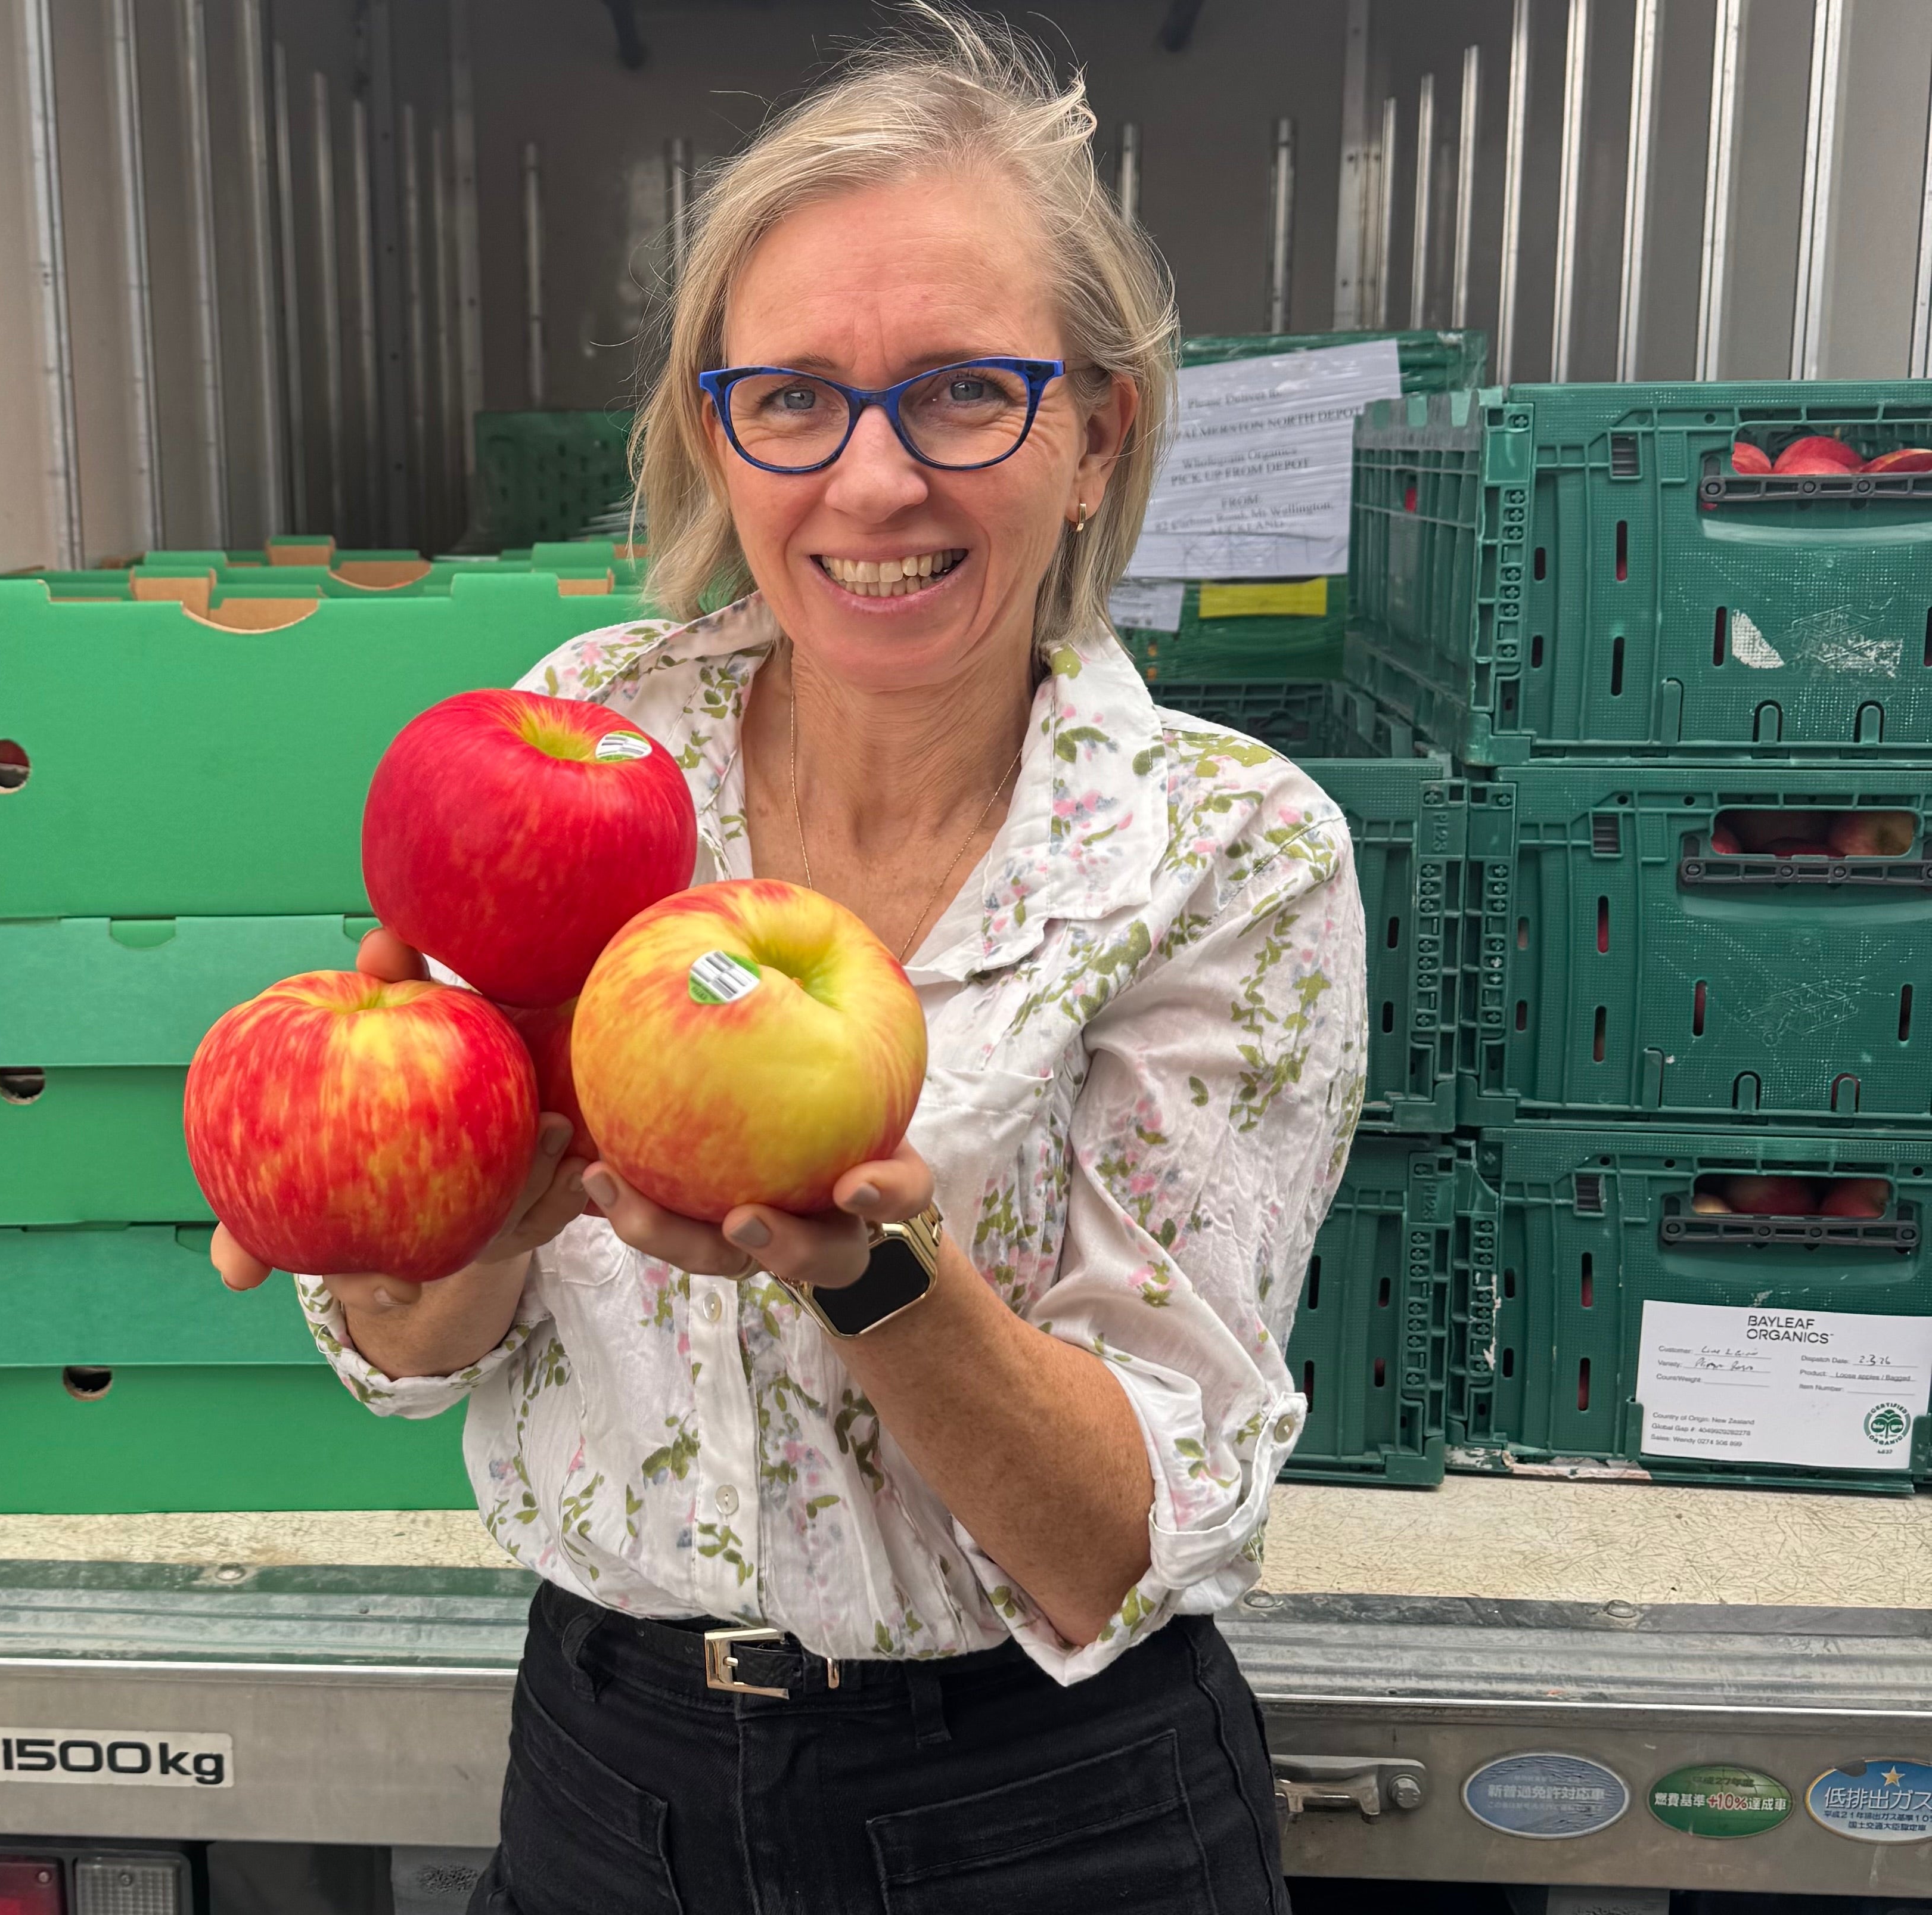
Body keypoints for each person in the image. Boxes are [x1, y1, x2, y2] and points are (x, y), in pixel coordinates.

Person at [211, 11, 1366, 1909]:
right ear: (713, 436)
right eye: (793, 401)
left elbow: (1113, 1548)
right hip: (606, 1773)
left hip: (1045, 1817)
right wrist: (448, 1204)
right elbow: (413, 1356)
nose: (871, 482)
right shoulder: (587, 743)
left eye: (962, 394)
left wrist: (874, 1276)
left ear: (1095, 435)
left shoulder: (1223, 857)